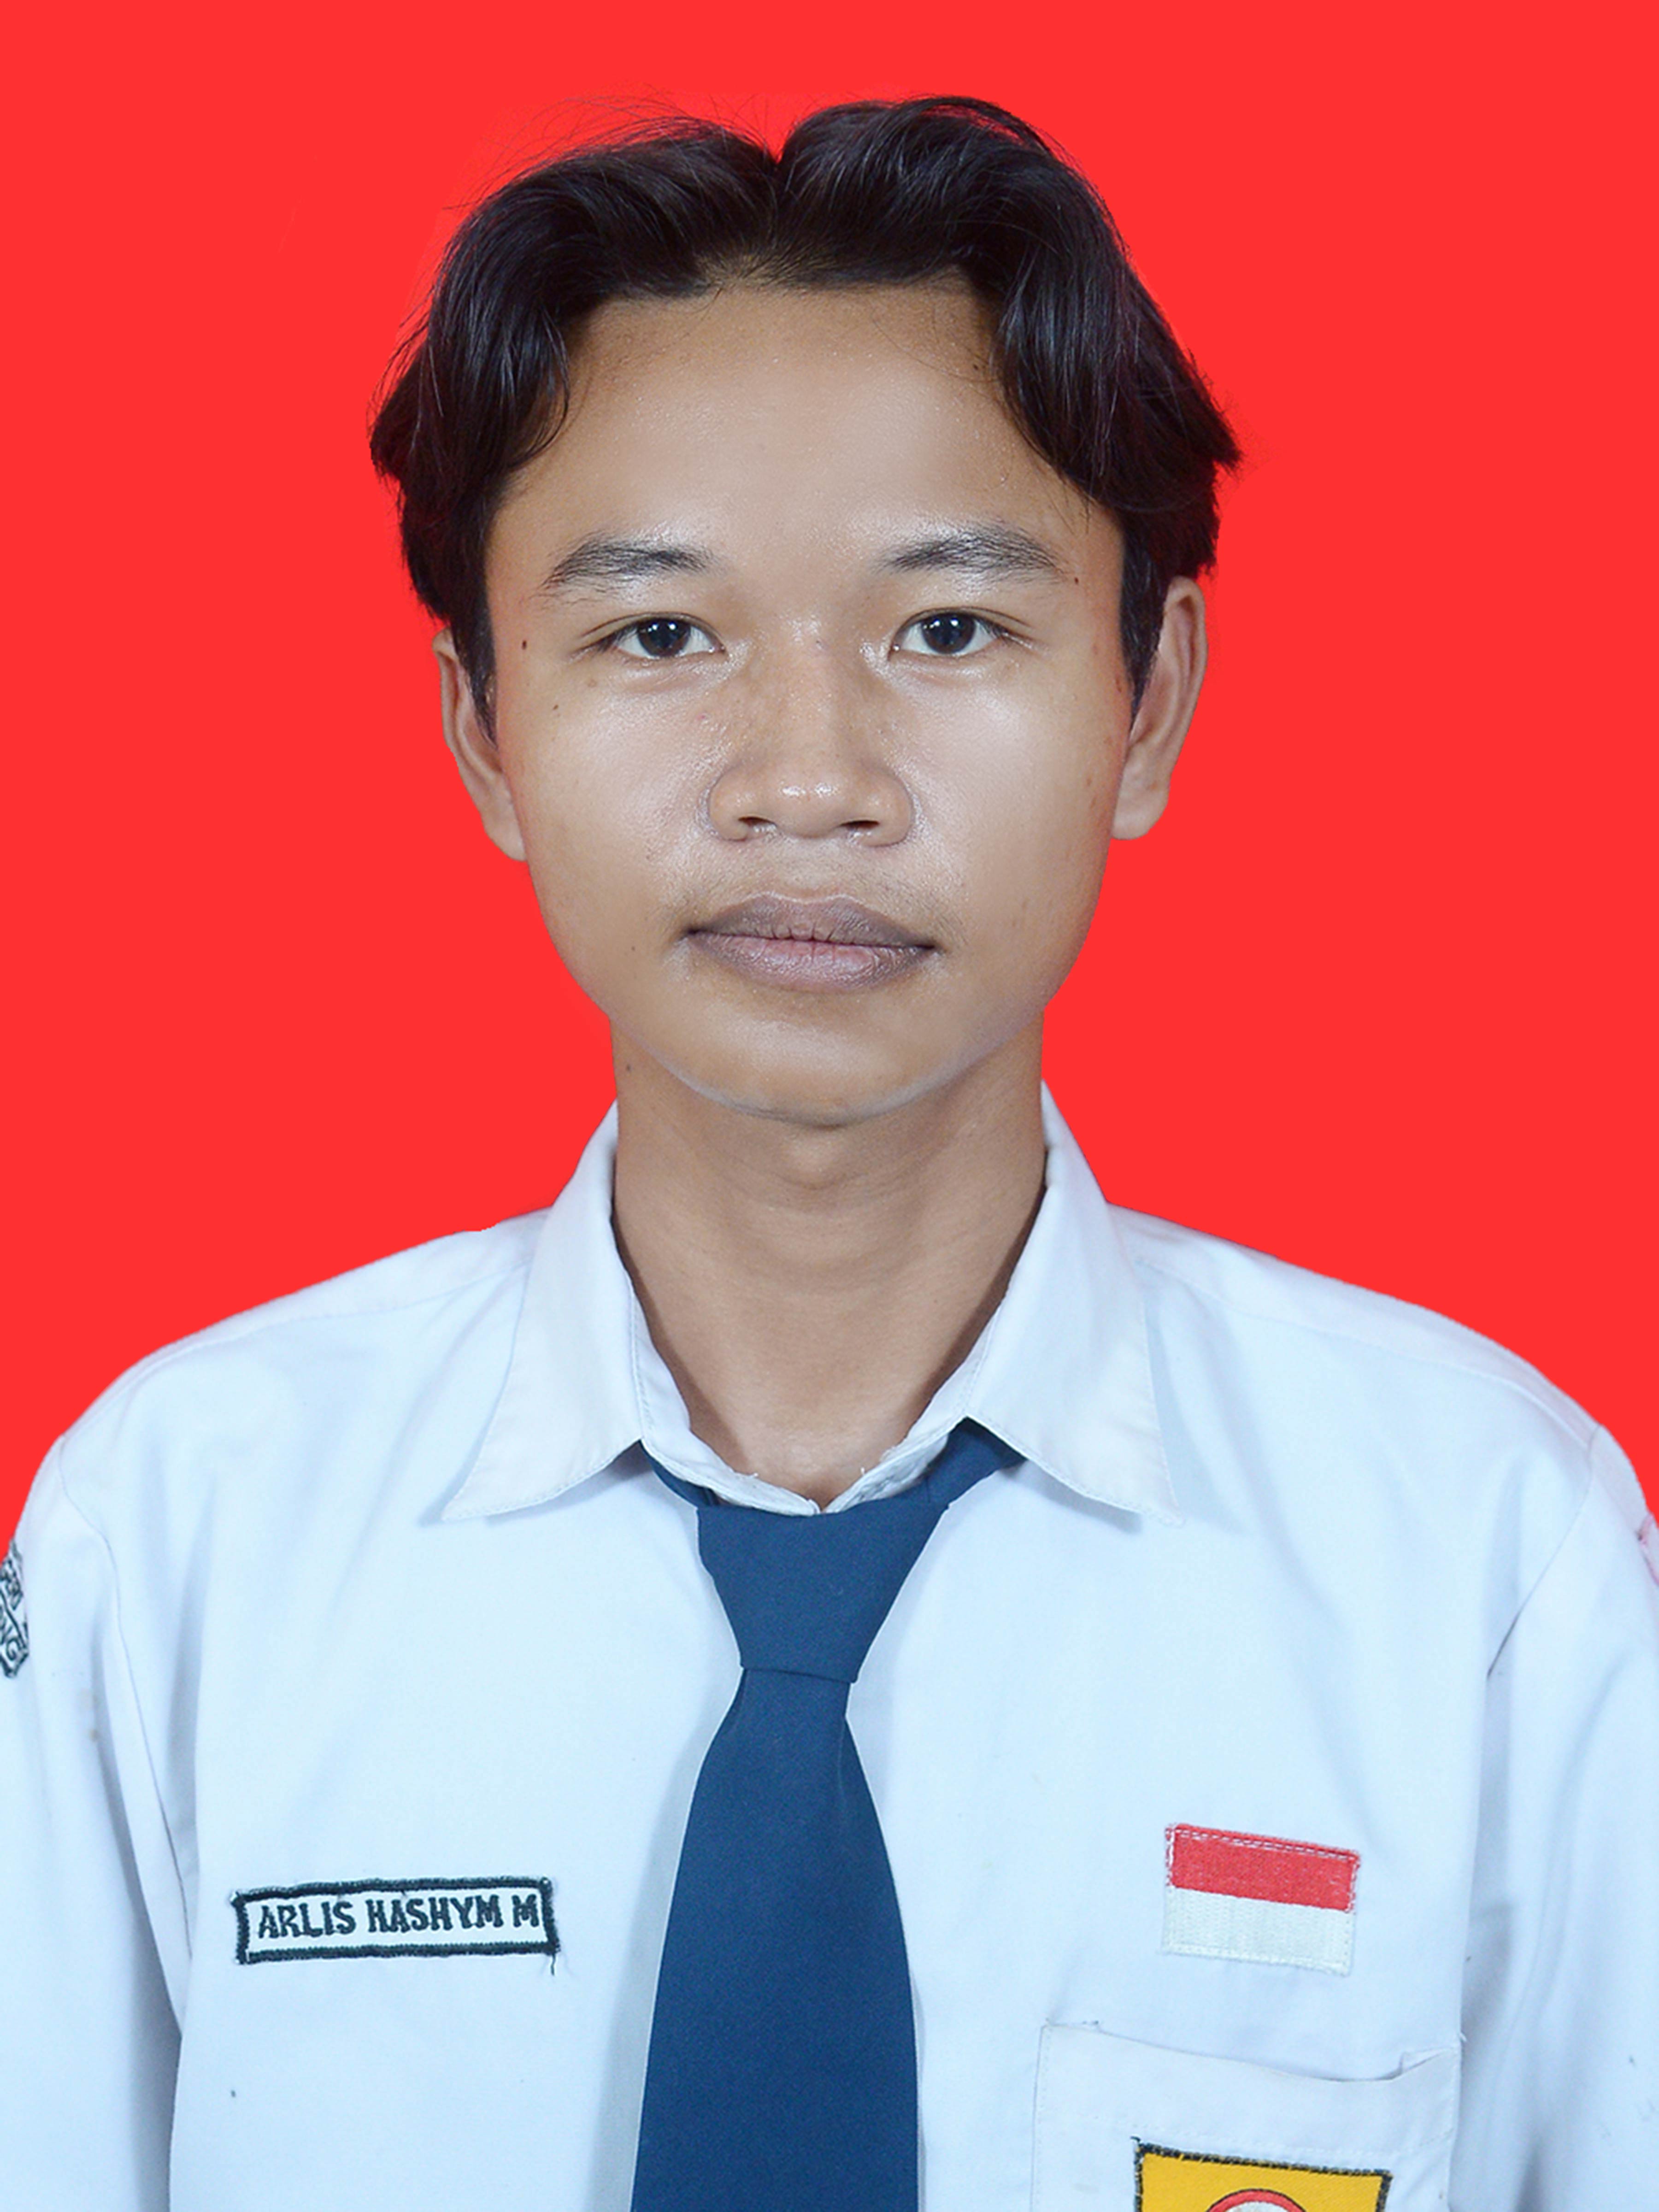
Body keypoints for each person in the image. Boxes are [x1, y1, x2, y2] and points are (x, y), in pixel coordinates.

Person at [2, 95, 1654, 2212]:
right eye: (659, 635)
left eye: (947, 630)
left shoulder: (1486, 1565)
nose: (809, 780)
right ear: (485, 728)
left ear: (1149, 701)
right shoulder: (179, 1540)